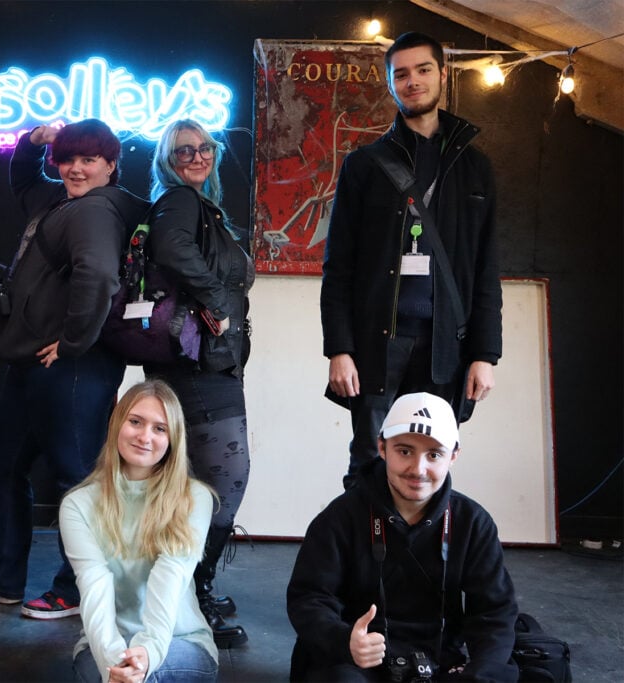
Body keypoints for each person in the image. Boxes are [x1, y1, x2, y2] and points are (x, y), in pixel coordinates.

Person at [0, 119, 148, 619]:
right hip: (34, 363)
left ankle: (77, 589)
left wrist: (72, 342)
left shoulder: (96, 210)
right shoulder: (58, 200)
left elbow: (99, 275)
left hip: (74, 366)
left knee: (77, 477)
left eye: (88, 159)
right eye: (67, 159)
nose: (75, 168)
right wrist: (33, 141)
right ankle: (3, 579)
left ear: (111, 165)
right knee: (4, 463)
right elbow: (23, 179)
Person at [320, 31, 502, 489]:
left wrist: (485, 354)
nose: (413, 81)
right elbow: (338, 266)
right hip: (377, 343)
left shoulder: (476, 168)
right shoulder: (364, 165)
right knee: (369, 463)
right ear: (390, 84)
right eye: (401, 74)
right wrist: (339, 349)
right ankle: (367, 539)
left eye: (423, 70)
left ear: (443, 74)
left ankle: (423, 542)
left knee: (432, 465)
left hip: (447, 345)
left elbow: (486, 269)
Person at [286, 392, 518, 682]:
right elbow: (309, 597)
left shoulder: (473, 522)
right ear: (382, 447)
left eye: (434, 455)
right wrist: (343, 640)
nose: (418, 470)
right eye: (405, 451)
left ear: (454, 455)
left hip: (440, 659)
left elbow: (495, 613)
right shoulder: (340, 517)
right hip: (359, 658)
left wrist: (479, 674)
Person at [141, 119, 255, 647]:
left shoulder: (200, 206)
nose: (196, 156)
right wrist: (214, 299)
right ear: (167, 158)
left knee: (198, 484)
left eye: (204, 147)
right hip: (196, 364)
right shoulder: (179, 200)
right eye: (183, 150)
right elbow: (170, 247)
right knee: (225, 480)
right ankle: (193, 588)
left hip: (207, 362)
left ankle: (185, 588)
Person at [60, 380, 218, 683]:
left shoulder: (194, 497)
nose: (145, 436)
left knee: (146, 678)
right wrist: (114, 661)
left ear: (172, 439)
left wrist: (147, 654)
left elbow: (170, 575)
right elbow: (94, 585)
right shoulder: (78, 504)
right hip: (104, 644)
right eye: (135, 422)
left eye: (160, 428)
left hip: (179, 641)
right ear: (117, 424)